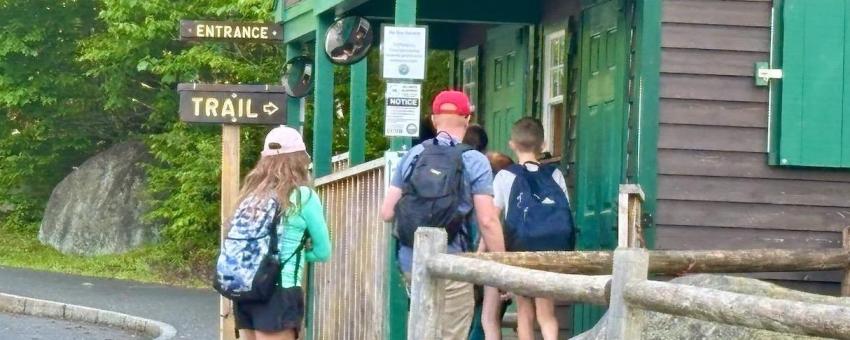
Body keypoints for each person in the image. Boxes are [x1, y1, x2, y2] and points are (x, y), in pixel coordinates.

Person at [381, 90, 505, 340]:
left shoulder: (413, 155)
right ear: (467, 119)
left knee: (422, 329)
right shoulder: (475, 160)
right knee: (450, 333)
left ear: (434, 119)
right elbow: (488, 220)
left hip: (411, 259)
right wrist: (502, 266)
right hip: (453, 261)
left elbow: (386, 212)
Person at [234, 126, 332, 340]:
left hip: (245, 288)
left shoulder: (251, 195)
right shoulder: (303, 196)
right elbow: (324, 251)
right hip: (279, 291)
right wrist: (300, 254)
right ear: (299, 160)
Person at [492, 118, 572, 340]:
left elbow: (494, 215)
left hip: (521, 246)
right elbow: (565, 210)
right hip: (551, 249)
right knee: (547, 314)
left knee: (525, 312)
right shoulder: (555, 175)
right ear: (543, 145)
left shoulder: (505, 176)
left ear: (512, 144)